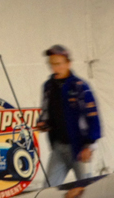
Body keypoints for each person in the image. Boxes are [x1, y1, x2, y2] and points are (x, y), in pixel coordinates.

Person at [37, 45, 101, 187]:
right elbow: (46, 112)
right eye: (51, 64)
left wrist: (89, 146)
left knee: (86, 190)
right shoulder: (48, 87)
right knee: (47, 190)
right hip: (58, 148)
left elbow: (93, 118)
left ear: (68, 64)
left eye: (58, 64)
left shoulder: (80, 86)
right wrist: (43, 124)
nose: (54, 68)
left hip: (80, 148)